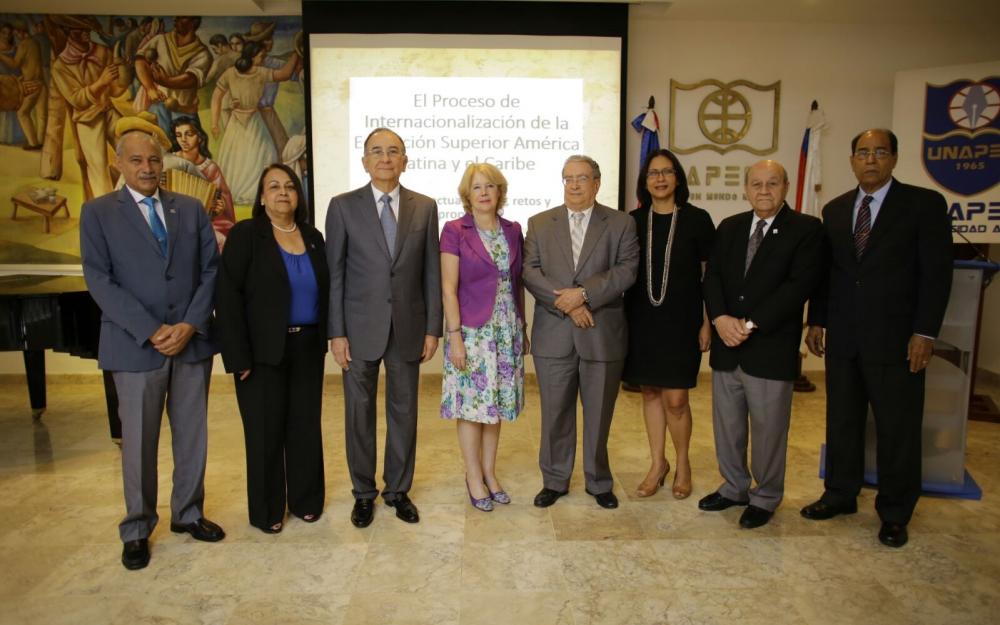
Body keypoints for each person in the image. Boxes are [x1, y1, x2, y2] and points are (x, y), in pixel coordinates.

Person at [801, 129, 953, 548]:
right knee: (843, 420)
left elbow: (937, 275)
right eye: (863, 153)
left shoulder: (923, 205)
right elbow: (826, 275)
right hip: (845, 339)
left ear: (894, 158)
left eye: (879, 152)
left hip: (899, 340)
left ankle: (895, 511)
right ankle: (839, 493)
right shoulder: (835, 210)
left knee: (897, 428)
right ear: (852, 160)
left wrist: (925, 332)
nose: (871, 160)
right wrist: (817, 320)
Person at [80, 131, 224, 571]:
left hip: (190, 342)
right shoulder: (98, 213)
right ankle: (138, 528)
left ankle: (188, 513)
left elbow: (210, 270)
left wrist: (188, 324)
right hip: (134, 346)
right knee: (139, 443)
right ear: (119, 165)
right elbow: (99, 280)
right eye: (137, 160)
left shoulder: (190, 210)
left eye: (154, 160)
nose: (147, 168)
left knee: (192, 436)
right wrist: (152, 329)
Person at [326, 128, 442, 527]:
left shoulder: (424, 207)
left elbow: (430, 271)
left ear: (405, 160)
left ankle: (398, 490)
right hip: (357, 331)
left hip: (408, 327)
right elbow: (335, 273)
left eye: (393, 151)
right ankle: (363, 493)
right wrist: (336, 333)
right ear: (364, 161)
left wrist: (433, 329)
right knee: (358, 413)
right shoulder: (342, 206)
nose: (385, 158)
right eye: (377, 151)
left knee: (404, 411)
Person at [699, 160, 824, 529]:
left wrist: (749, 324)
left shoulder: (806, 229)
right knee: (728, 426)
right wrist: (720, 319)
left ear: (785, 186)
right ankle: (734, 486)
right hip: (727, 346)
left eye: (772, 183)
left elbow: (798, 287)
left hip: (769, 347)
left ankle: (765, 495)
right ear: (746, 188)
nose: (764, 190)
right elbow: (714, 278)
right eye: (756, 184)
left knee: (769, 430)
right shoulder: (731, 227)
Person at [216, 164, 329, 534]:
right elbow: (227, 298)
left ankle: (306, 500)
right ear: (262, 197)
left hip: (307, 347)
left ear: (298, 196)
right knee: (264, 432)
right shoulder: (246, 236)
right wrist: (237, 356)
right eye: (274, 187)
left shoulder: (313, 237)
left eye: (290, 187)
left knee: (304, 427)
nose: (283, 192)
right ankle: (267, 510)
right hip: (260, 352)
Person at [523, 154, 639, 509]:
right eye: (568, 178)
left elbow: (626, 270)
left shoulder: (620, 223)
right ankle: (555, 480)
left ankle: (598, 480)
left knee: (599, 413)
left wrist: (584, 295)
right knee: (555, 412)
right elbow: (530, 270)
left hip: (601, 334)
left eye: (581, 178)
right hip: (554, 334)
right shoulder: (540, 222)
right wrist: (571, 304)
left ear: (597, 183)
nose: (574, 185)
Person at [623, 149, 715, 499]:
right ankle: (657, 463)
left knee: (676, 398)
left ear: (678, 178)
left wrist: (707, 322)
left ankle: (683, 463)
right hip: (642, 322)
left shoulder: (697, 219)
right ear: (644, 182)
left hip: (683, 322)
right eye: (652, 174)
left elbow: (710, 276)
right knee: (649, 391)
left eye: (666, 172)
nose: (659, 179)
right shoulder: (632, 220)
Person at [440, 163, 526, 511]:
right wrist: (455, 336)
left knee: (498, 405)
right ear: (467, 194)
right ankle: (473, 476)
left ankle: (490, 474)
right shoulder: (454, 230)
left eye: (490, 186)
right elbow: (448, 287)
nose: (485, 192)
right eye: (477, 187)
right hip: (472, 333)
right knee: (473, 408)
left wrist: (522, 328)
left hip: (507, 330)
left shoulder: (513, 230)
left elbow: (516, 283)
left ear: (499, 191)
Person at [210, 41, 299, 204]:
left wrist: (296, 54)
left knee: (263, 155)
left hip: (255, 120)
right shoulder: (231, 73)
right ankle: (237, 193)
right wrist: (214, 123)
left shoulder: (261, 72)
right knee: (237, 157)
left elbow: (285, 74)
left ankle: (258, 193)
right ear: (252, 56)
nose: (263, 59)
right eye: (261, 56)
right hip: (237, 122)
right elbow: (216, 96)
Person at [48, 14, 125, 200]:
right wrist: (101, 82)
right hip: (87, 120)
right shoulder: (60, 66)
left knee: (133, 149)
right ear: (68, 32)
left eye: (87, 29)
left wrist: (121, 70)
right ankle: (107, 219)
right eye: (80, 30)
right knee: (98, 168)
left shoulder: (102, 52)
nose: (86, 33)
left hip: (108, 111)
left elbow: (116, 90)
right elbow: (77, 100)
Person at [133, 16, 212, 134]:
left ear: (193, 23)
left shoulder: (202, 53)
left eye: (182, 18)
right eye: (176, 17)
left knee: (185, 149)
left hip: (184, 111)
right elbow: (140, 60)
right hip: (158, 106)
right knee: (158, 146)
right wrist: (150, 88)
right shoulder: (160, 40)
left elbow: (191, 79)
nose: (175, 20)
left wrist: (166, 81)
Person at [170, 115, 236, 245]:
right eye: (179, 135)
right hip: (172, 220)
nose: (183, 140)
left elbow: (222, 199)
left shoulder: (210, 168)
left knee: (219, 241)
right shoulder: (170, 161)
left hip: (203, 222)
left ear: (199, 137)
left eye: (188, 134)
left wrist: (219, 207)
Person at [0, 20, 45, 150]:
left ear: (21, 32)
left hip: (32, 84)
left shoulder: (24, 45)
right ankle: (41, 142)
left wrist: (1, 56)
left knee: (22, 113)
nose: (15, 37)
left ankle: (33, 143)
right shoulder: (35, 43)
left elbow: (15, 64)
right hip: (41, 82)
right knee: (41, 115)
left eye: (15, 33)